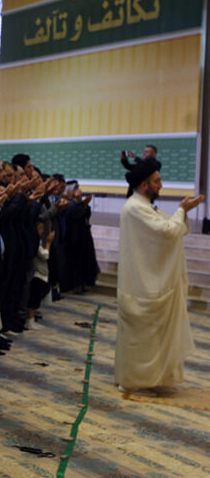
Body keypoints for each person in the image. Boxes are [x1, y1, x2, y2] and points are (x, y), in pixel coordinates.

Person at [115, 159, 202, 396]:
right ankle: (132, 382)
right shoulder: (135, 207)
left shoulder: (143, 206)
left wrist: (183, 212)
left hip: (142, 284)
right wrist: (182, 209)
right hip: (140, 286)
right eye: (157, 181)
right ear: (144, 185)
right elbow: (167, 231)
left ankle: (138, 378)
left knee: (145, 338)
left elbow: (170, 227)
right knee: (140, 339)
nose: (161, 185)